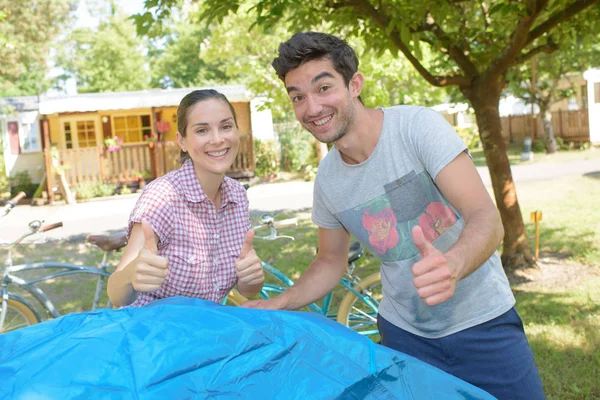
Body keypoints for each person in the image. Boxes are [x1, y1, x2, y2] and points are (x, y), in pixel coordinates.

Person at [244, 32, 545, 400]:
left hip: (484, 323)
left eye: (324, 87)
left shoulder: (417, 128)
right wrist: (279, 302)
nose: (311, 107)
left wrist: (453, 263)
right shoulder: (327, 181)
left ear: (355, 84)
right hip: (404, 336)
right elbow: (329, 261)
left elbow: (485, 215)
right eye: (298, 97)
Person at [107, 89, 264, 308]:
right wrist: (132, 276)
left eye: (226, 126)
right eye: (202, 130)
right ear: (182, 141)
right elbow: (116, 294)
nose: (218, 139)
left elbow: (246, 288)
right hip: (153, 333)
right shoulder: (163, 196)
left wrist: (251, 278)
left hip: (204, 331)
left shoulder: (238, 195)